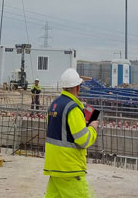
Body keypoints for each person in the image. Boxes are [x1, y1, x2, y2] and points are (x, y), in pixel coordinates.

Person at [44, 68, 98, 198]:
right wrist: (92, 128)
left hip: (54, 167)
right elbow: (83, 140)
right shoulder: (73, 108)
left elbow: (59, 131)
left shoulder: (54, 105)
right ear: (77, 87)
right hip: (70, 169)